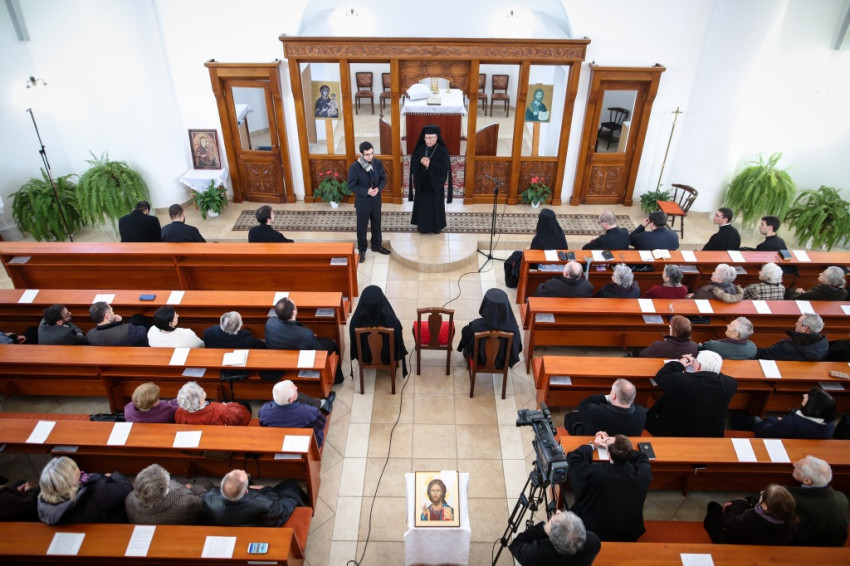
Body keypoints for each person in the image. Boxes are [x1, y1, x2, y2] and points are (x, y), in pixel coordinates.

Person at [567, 432, 652, 542]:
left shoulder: (596, 473)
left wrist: (593, 445)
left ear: (609, 455)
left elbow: (573, 459)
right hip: (629, 531)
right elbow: (643, 457)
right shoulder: (642, 473)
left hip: (595, 531)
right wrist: (620, 448)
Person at [645, 351, 737, 437]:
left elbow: (662, 376)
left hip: (678, 432)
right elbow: (717, 375)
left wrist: (680, 363)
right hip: (712, 433)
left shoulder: (683, 381)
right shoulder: (730, 384)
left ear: (698, 366)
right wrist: (706, 366)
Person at [265, 297, 345, 385]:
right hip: (297, 359)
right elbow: (319, 352)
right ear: (294, 312)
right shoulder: (305, 334)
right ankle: (337, 379)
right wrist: (311, 337)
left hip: (279, 354)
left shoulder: (270, 322)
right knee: (330, 343)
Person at [37, 456, 132, 525]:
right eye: (73, 468)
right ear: (70, 482)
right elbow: (126, 489)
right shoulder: (96, 491)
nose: (76, 467)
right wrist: (113, 476)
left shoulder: (46, 503)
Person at [202, 469, 306, 527]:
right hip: (261, 524)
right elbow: (280, 509)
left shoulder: (207, 498)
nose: (243, 470)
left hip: (235, 521)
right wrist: (266, 489)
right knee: (290, 487)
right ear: (246, 491)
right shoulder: (264, 504)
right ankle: (305, 504)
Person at [703, 483, 799, 545]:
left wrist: (732, 507)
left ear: (766, 507)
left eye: (764, 494)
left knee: (713, 507)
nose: (761, 492)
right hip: (763, 543)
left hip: (736, 543)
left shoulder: (750, 520)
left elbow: (729, 522)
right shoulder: (792, 522)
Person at [787, 455, 848, 547]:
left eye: (798, 467)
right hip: (835, 544)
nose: (794, 464)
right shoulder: (841, 498)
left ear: (807, 481)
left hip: (803, 547)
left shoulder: (793, 500)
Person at [349, 285, 409, 377]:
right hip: (388, 356)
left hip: (365, 357)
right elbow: (398, 343)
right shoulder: (392, 322)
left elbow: (354, 346)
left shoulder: (355, 323)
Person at [458, 288, 522, 370]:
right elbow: (515, 351)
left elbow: (466, 341)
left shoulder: (474, 327)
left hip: (479, 360)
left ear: (486, 305)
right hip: (502, 362)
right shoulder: (514, 330)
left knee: (467, 336)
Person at [508, 509, 601, 566]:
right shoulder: (593, 542)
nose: (558, 511)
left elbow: (516, 545)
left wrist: (544, 529)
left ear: (553, 540)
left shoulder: (538, 554)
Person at [125, 463, 206, 525]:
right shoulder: (184, 502)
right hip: (187, 524)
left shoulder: (130, 500)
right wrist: (194, 488)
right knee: (205, 481)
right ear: (164, 490)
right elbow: (204, 502)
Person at [258, 380, 332, 447]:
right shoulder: (307, 411)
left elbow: (262, 424)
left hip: (278, 440)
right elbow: (321, 424)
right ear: (290, 400)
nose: (296, 387)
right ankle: (323, 403)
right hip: (303, 443)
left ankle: (322, 403)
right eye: (295, 390)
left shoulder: (264, 410)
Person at [349, 141, 389, 262]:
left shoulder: (377, 163)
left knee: (377, 224)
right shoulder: (354, 167)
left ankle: (376, 245)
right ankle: (362, 250)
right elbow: (351, 185)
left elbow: (383, 178)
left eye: (372, 153)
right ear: (361, 154)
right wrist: (366, 191)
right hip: (363, 202)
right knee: (362, 227)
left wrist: (378, 189)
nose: (370, 156)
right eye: (367, 154)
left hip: (376, 200)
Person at [563, 379, 647, 436]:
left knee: (572, 416)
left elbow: (583, 405)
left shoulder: (596, 411)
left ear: (613, 396)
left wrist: (606, 397)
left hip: (594, 440)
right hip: (623, 444)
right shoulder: (642, 413)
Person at [409, 125, 452, 234]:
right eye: (426, 138)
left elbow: (444, 168)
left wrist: (430, 165)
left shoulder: (442, 150)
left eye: (430, 138)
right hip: (422, 184)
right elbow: (413, 163)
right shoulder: (420, 148)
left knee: (435, 205)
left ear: (437, 137)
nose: (427, 140)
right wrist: (420, 162)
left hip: (435, 184)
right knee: (423, 206)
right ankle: (422, 227)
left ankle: (437, 227)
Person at [750, 387, 836, 439]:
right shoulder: (830, 425)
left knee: (754, 419)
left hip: (774, 436)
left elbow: (766, 433)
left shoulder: (792, 422)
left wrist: (772, 419)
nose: (804, 395)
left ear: (814, 407)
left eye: (809, 397)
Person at [174, 381, 251, 426]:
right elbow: (237, 418)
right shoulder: (219, 411)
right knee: (244, 405)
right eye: (201, 391)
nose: (202, 389)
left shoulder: (179, 413)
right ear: (201, 401)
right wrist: (229, 406)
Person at [756, 313, 828, 361]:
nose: (796, 324)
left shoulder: (787, 346)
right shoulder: (823, 344)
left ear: (805, 328)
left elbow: (763, 355)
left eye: (798, 322)